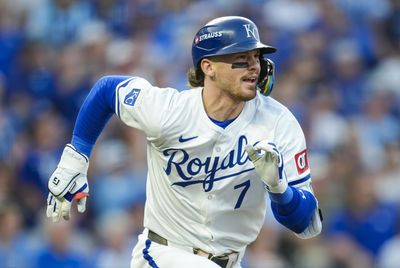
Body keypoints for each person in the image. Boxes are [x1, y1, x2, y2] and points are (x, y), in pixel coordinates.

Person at [46, 16, 322, 268]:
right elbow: (107, 90)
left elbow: (305, 223)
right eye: (240, 57)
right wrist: (75, 158)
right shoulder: (169, 111)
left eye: (256, 57)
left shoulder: (279, 123)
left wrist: (279, 188)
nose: (253, 66)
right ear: (208, 67)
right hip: (163, 255)